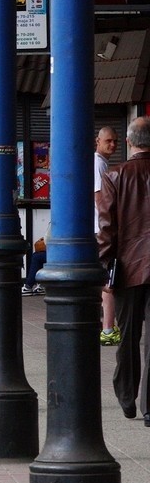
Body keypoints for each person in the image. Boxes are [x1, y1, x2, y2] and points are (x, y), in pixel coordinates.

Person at [97, 116, 150, 427]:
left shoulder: (116, 175)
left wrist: (106, 267)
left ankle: (127, 397)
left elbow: (107, 226)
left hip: (129, 267)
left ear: (130, 142)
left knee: (128, 335)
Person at [94, 126, 121, 345]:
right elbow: (100, 198)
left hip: (97, 229)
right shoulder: (98, 163)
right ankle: (108, 329)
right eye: (108, 141)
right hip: (100, 230)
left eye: (115, 141)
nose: (112, 145)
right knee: (108, 279)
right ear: (98, 141)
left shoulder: (100, 163)